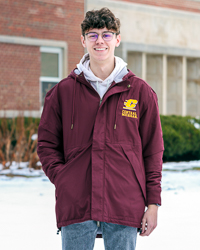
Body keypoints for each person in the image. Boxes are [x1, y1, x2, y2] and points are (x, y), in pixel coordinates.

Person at [37, 7, 164, 250]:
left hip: (124, 202)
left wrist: (153, 204)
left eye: (106, 34)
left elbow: (153, 152)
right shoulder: (63, 91)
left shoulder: (140, 92)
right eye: (92, 34)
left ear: (117, 39)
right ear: (83, 40)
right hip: (77, 203)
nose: (99, 41)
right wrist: (64, 179)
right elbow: (46, 144)